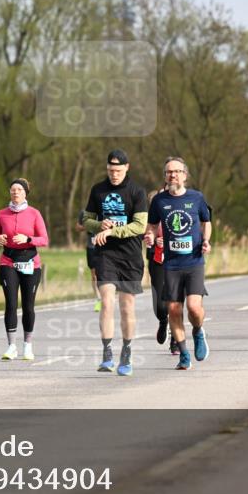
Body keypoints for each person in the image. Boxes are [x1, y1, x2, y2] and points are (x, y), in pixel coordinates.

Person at [82, 149, 148, 377]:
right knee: (107, 302)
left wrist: (112, 232)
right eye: (111, 170)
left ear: (127, 168)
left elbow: (139, 227)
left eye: (118, 170)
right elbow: (85, 219)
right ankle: (107, 352)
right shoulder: (98, 190)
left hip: (130, 257)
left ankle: (127, 351)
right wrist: (98, 226)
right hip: (105, 256)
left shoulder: (137, 192)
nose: (114, 175)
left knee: (126, 306)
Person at [145, 157, 212, 371]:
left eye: (176, 171)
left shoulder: (197, 198)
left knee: (193, 307)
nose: (172, 175)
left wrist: (206, 241)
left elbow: (206, 222)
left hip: (193, 261)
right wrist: (150, 236)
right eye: (168, 172)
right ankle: (183, 354)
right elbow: (152, 226)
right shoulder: (159, 201)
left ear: (184, 174)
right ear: (165, 176)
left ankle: (199, 331)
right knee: (173, 309)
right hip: (171, 264)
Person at [0, 178, 48, 361]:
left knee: (28, 306)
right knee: (11, 304)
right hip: (8, 261)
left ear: (25, 193)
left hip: (30, 261)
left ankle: (28, 346)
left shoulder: (34, 214)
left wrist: (28, 239)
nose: (15, 192)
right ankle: (11, 346)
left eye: (19, 190)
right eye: (13, 190)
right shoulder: (2, 214)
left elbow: (44, 239)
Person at [146, 185, 177, 354]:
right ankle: (163, 320)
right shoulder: (153, 209)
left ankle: (175, 339)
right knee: (160, 304)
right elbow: (145, 230)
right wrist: (151, 238)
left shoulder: (180, 207)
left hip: (177, 259)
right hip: (156, 259)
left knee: (174, 300)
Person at [76, 211, 103, 312]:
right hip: (91, 247)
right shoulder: (84, 212)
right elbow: (78, 227)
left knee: (105, 273)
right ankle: (98, 299)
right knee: (94, 275)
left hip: (104, 246)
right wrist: (88, 226)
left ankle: (106, 297)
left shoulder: (105, 208)